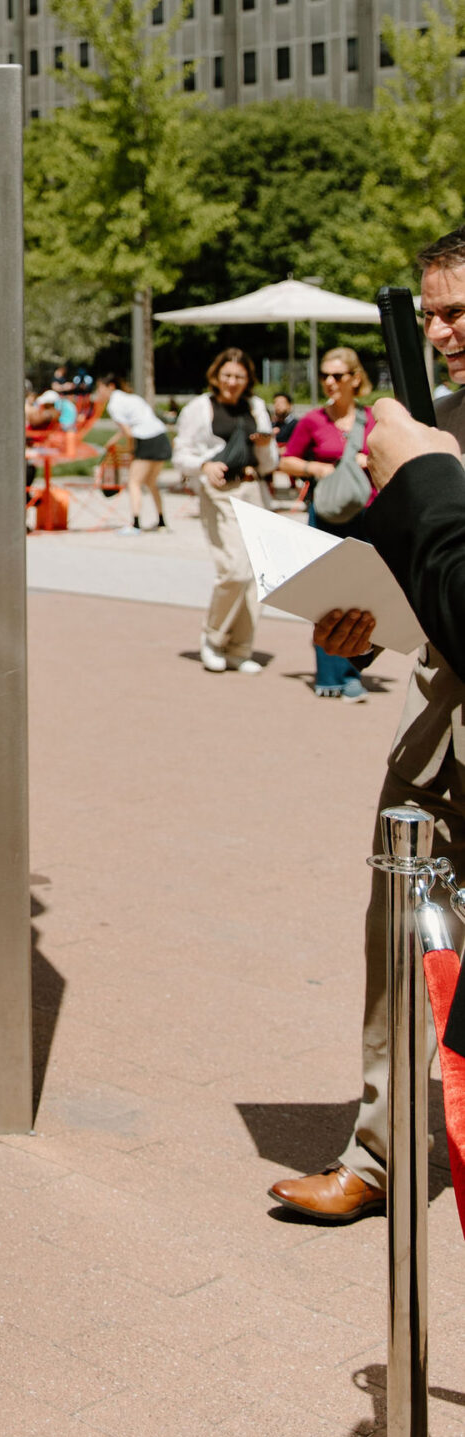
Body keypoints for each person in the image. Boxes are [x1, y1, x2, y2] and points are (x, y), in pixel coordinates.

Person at [271, 227, 465, 1225]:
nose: (440, 332)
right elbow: (409, 570)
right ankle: (379, 1153)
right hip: (438, 728)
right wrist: (366, 619)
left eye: (458, 311)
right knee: (391, 939)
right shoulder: (433, 421)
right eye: (431, 314)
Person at [278, 348, 378, 701]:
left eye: (337, 375)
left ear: (354, 377)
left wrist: (373, 460)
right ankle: (329, 674)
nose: (330, 382)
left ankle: (353, 670)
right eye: (325, 376)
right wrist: (317, 468)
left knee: (363, 595)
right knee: (326, 594)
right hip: (326, 515)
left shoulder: (374, 420)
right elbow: (287, 461)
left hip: (368, 515)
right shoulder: (313, 421)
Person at [173, 347, 274, 673]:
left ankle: (240, 648)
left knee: (256, 574)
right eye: (227, 375)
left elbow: (271, 462)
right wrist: (204, 465)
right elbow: (180, 455)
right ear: (216, 376)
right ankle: (213, 637)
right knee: (234, 569)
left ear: (248, 380)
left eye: (239, 377)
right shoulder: (200, 408)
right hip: (219, 492)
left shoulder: (256, 407)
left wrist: (264, 446)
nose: (232, 382)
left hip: (252, 488)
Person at [91, 369, 171, 533]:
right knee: (151, 482)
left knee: (134, 482)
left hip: (146, 440)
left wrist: (132, 450)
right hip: (161, 437)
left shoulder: (114, 404)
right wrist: (114, 439)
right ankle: (162, 521)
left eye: (100, 388)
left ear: (110, 387)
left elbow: (128, 432)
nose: (98, 392)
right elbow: (135, 423)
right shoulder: (132, 398)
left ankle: (135, 524)